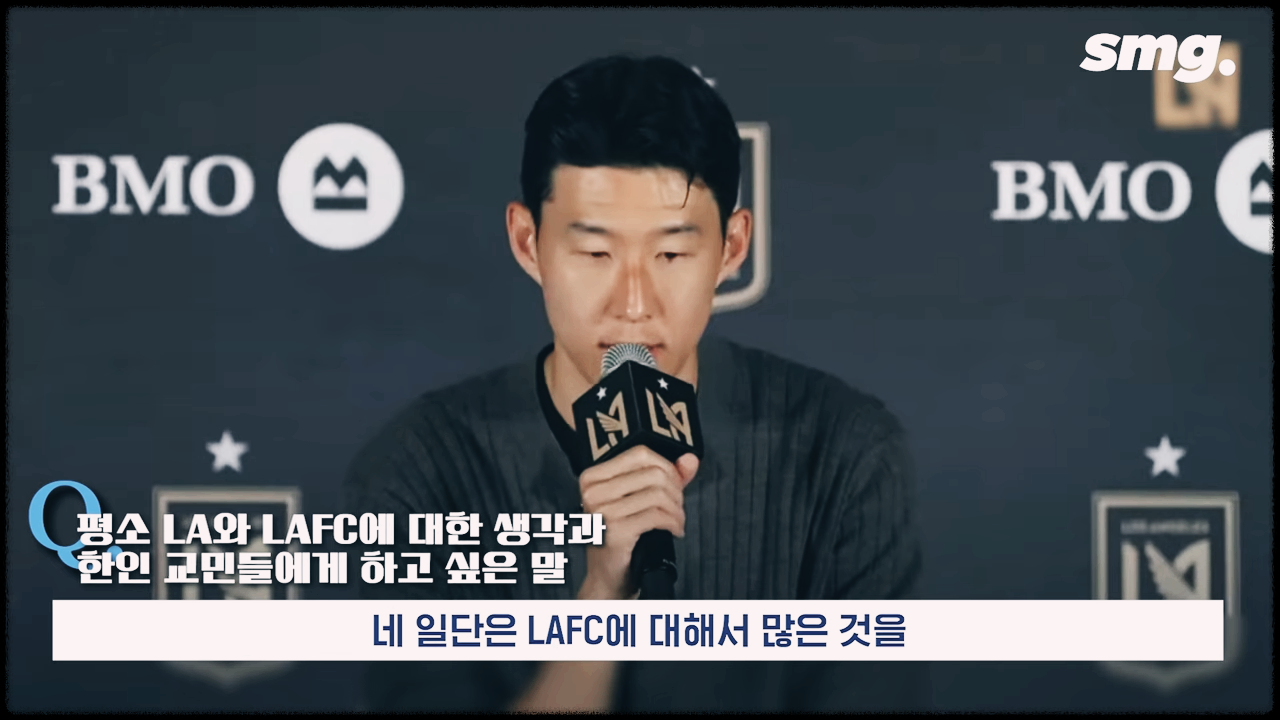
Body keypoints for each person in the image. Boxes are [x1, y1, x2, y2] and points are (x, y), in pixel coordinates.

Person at [344, 54, 926, 712]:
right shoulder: (420, 470)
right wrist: (601, 601)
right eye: (595, 253)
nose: (633, 304)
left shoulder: (843, 451)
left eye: (671, 253)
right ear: (529, 243)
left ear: (732, 248)